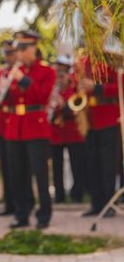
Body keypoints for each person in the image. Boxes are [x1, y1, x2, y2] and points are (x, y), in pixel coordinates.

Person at [3, 30, 56, 229]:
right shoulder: (11, 72)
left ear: (34, 48)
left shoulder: (46, 71)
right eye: (18, 49)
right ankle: (22, 213)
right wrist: (3, 88)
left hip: (36, 126)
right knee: (18, 174)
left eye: (24, 49)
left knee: (40, 173)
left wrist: (23, 80)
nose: (20, 53)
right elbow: (6, 101)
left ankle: (44, 214)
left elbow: (42, 97)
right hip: (14, 127)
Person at [77, 51, 121, 217]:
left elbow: (121, 86)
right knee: (92, 163)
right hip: (89, 119)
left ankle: (109, 204)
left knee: (108, 164)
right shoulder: (83, 60)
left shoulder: (113, 58)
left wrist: (97, 87)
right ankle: (96, 203)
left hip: (108, 117)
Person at [48, 55, 86, 204]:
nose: (59, 79)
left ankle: (78, 194)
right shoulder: (53, 91)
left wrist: (63, 105)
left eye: (62, 75)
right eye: (57, 75)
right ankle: (59, 195)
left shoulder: (74, 90)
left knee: (77, 164)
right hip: (56, 133)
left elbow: (77, 109)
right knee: (57, 166)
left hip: (73, 131)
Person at [0, 40, 17, 216]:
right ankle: (8, 204)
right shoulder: (1, 72)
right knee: (6, 167)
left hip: (14, 119)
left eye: (10, 53)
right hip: (3, 122)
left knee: (16, 168)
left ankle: (19, 204)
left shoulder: (19, 72)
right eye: (5, 53)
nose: (7, 57)